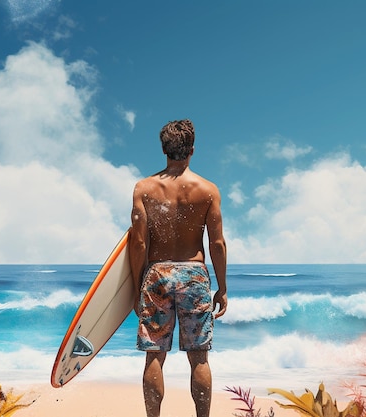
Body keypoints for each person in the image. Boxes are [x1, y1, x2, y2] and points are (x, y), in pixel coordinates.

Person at [129, 119, 228, 417]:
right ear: (192, 150)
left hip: (157, 274)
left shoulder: (144, 189)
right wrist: (222, 288)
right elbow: (217, 244)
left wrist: (137, 287)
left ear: (163, 149)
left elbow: (139, 244)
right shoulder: (207, 190)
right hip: (194, 276)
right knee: (199, 357)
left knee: (154, 357)